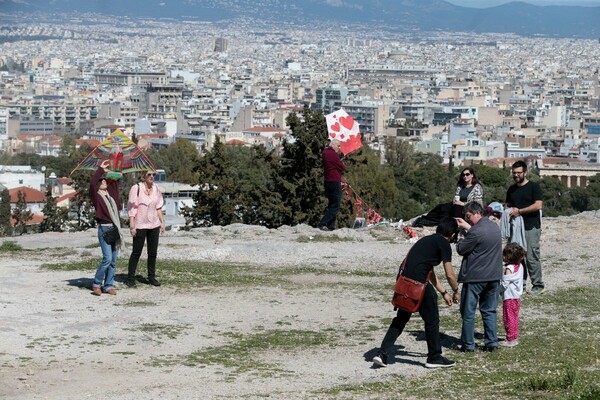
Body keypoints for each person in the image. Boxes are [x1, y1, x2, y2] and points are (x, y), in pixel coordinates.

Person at [372, 217, 460, 369]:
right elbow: (450, 274)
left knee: (401, 318)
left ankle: (382, 354)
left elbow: (429, 271)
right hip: (419, 285)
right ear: (452, 234)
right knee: (432, 320)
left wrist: (444, 293)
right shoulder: (444, 244)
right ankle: (434, 357)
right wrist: (456, 291)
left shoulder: (427, 241)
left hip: (406, 282)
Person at [455, 201, 503, 352]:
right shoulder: (495, 227)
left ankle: (468, 344)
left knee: (468, 312)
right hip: (493, 276)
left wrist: (462, 235)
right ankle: (492, 342)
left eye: (468, 216)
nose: (468, 219)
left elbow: (461, 249)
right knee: (489, 310)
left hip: (475, 277)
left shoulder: (475, 232)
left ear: (477, 213)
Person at [505, 160, 545, 295]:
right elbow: (507, 205)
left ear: (525, 173)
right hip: (515, 227)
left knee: (531, 256)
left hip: (531, 227)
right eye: (514, 173)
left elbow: (538, 205)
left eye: (519, 173)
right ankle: (519, 284)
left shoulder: (534, 187)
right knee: (516, 256)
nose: (516, 175)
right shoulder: (511, 189)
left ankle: (538, 285)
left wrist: (520, 211)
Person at [89, 160, 124, 296]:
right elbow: (92, 184)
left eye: (105, 181)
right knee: (107, 258)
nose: (104, 182)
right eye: (102, 181)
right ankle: (96, 284)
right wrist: (100, 170)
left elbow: (114, 183)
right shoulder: (96, 197)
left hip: (114, 228)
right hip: (104, 229)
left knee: (113, 260)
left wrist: (116, 171)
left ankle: (108, 285)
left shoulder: (111, 196)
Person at [126, 169, 165, 287]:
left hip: (154, 224)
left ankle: (151, 277)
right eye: (149, 174)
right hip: (140, 224)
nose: (152, 176)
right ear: (143, 176)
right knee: (136, 252)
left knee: (153, 252)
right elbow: (132, 209)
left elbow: (158, 207)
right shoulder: (136, 188)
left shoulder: (156, 188)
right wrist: (132, 226)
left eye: (154, 174)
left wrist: (162, 222)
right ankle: (130, 278)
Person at [500, 242, 526, 347]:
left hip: (509, 297)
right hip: (516, 297)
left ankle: (510, 338)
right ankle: (514, 336)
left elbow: (505, 283)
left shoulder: (509, 268)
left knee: (508, 317)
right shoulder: (520, 267)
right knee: (514, 317)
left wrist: (498, 290)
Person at [317, 139, 346, 231]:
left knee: (331, 205)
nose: (339, 148)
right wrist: (341, 163)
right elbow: (342, 167)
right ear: (333, 145)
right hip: (334, 181)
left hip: (327, 181)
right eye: (338, 146)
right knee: (336, 205)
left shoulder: (325, 152)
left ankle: (330, 226)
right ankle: (322, 223)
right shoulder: (333, 154)